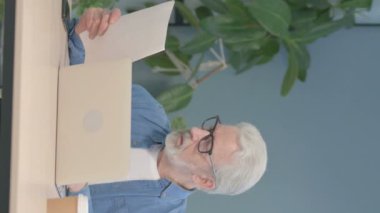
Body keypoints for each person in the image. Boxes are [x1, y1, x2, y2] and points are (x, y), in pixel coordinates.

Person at [67, 8, 268, 213]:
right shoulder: (144, 107)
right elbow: (72, 83)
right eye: (209, 129)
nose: (195, 132)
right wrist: (84, 32)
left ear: (204, 180)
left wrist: (77, 191)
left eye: (206, 143)